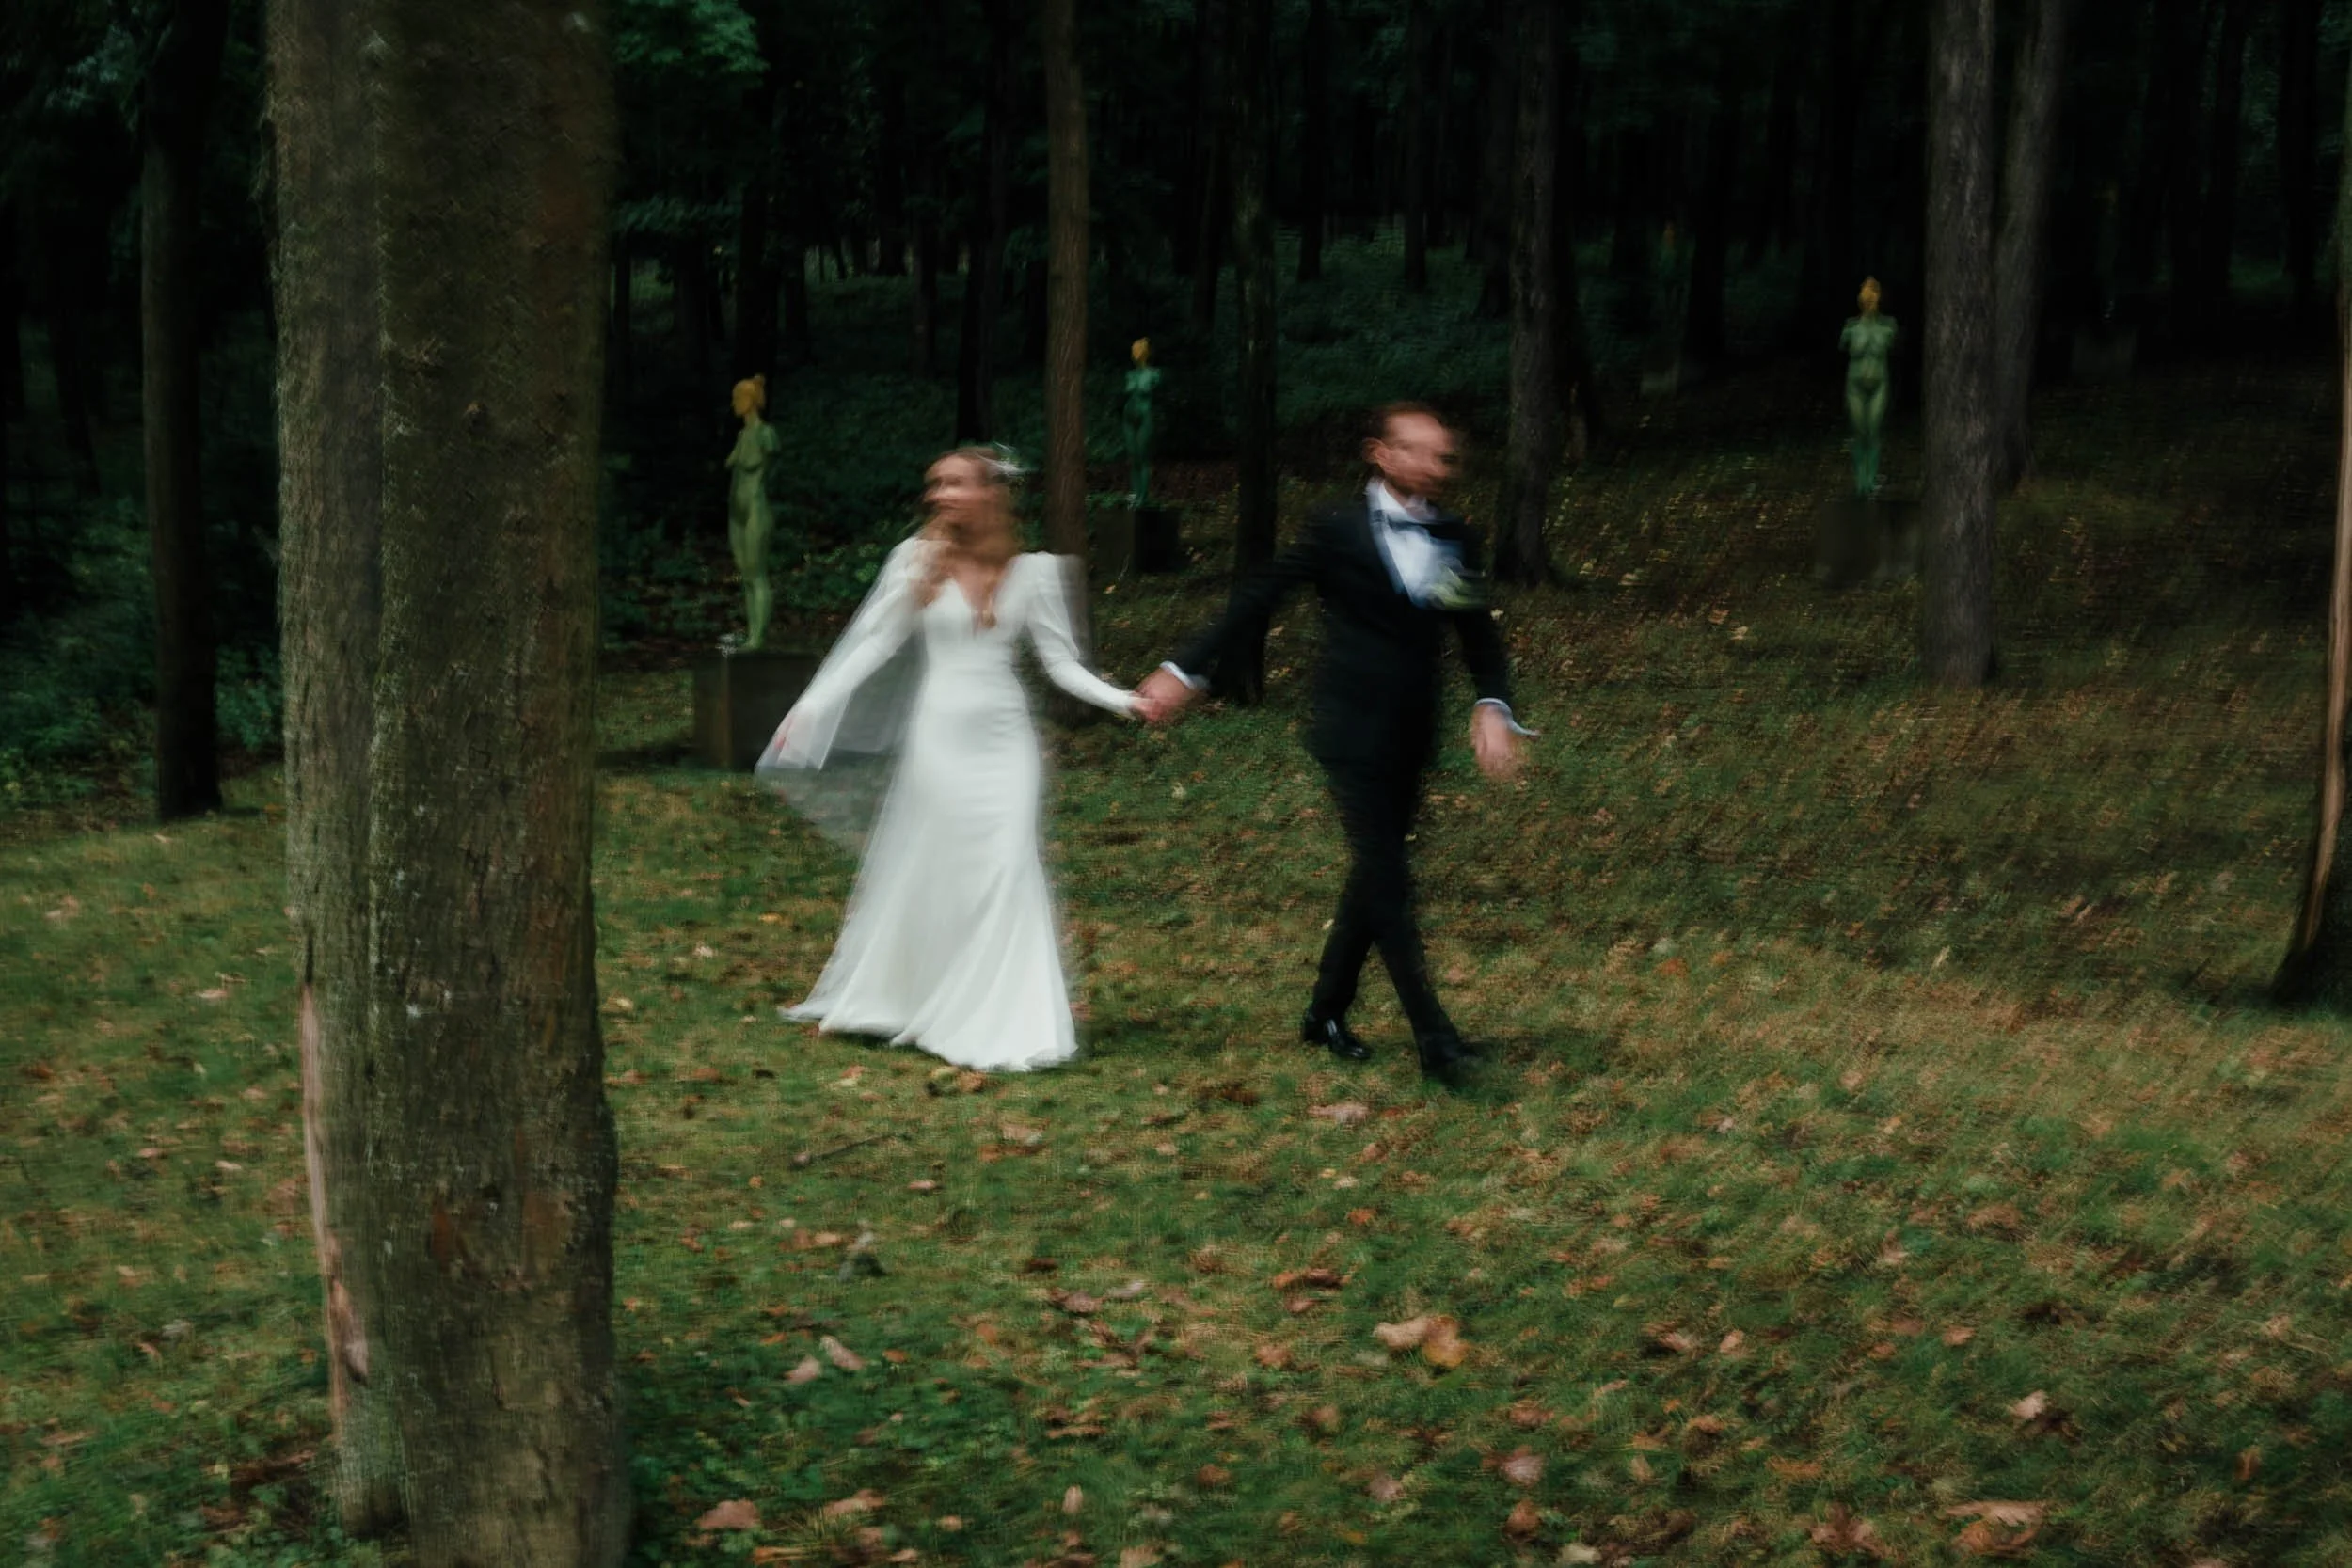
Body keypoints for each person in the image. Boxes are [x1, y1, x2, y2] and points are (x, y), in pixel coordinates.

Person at [1135, 404, 1527, 1085]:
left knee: (1374, 876)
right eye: (1420, 451)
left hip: (1412, 728)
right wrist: (1184, 669)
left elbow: (1478, 637)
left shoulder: (1456, 536)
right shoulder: (1337, 529)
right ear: (1381, 453)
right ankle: (1436, 1040)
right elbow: (1259, 598)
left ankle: (1325, 1011)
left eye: (1444, 455)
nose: (1436, 466)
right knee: (1389, 880)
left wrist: (1493, 704)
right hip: (1348, 729)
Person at [759, 448, 1143, 1071]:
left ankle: (1004, 1018)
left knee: (1006, 862)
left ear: (991, 493)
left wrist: (1126, 701)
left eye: (954, 483)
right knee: (939, 865)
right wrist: (809, 710)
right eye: (934, 483)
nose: (939, 494)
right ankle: (920, 996)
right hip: (938, 740)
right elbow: (872, 643)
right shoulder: (916, 562)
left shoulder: (1035, 572)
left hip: (1006, 743)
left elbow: (1063, 664)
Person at [725, 376, 783, 648]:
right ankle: (752, 633)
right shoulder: (742, 435)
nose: (733, 404)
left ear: (749, 401)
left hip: (756, 506)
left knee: (757, 573)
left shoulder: (765, 434)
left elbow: (770, 470)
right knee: (746, 575)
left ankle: (758, 637)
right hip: (736, 509)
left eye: (737, 398)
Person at [1840, 278, 1897, 497]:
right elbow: (1843, 346)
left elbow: (1892, 346)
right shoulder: (1851, 327)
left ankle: (1870, 480)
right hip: (1855, 384)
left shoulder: (1888, 326)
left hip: (1879, 383)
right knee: (1859, 431)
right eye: (1866, 295)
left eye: (1873, 295)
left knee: (1873, 430)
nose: (1869, 300)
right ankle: (1860, 482)